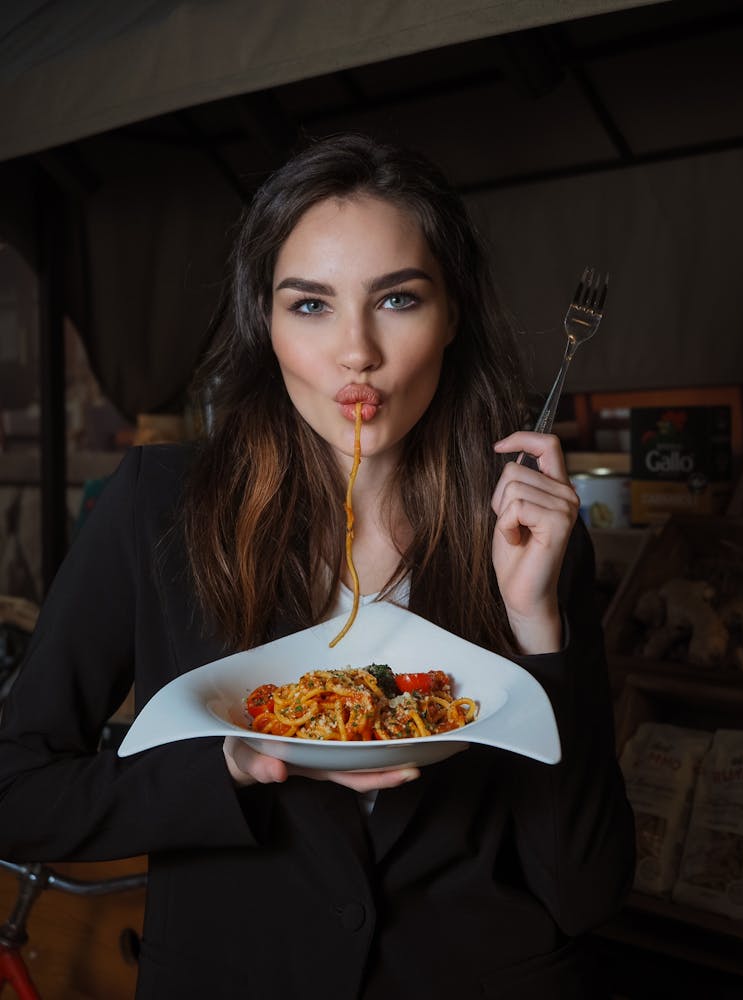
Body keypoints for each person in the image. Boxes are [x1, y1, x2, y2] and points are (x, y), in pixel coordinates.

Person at [0, 133, 634, 999]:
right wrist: (224, 765)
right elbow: (18, 788)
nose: (356, 352)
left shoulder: (526, 522)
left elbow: (589, 890)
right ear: (266, 320)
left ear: (452, 314)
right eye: (311, 305)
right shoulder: (158, 502)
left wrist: (538, 628)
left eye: (398, 300)